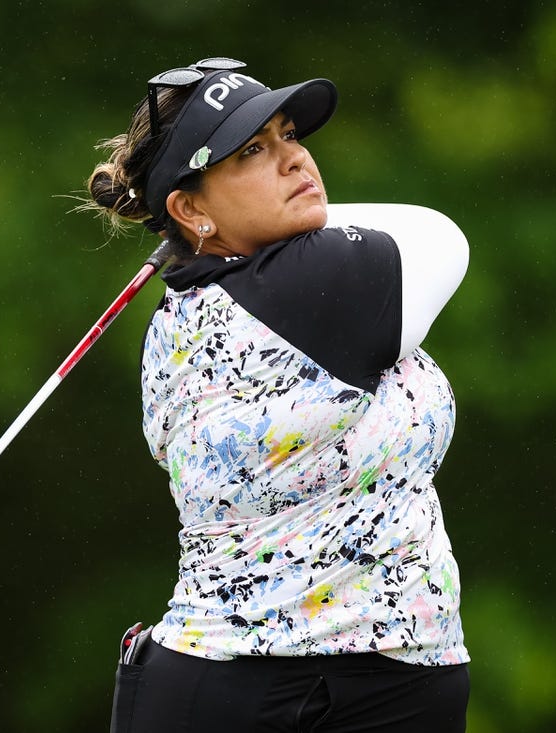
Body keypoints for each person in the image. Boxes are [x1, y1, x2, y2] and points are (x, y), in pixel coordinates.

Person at [83, 57, 471, 733]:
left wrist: (193, 235)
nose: (296, 160)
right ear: (190, 205)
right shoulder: (312, 283)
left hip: (386, 680)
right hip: (260, 693)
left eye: (290, 134)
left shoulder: (184, 312)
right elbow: (442, 235)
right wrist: (205, 236)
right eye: (253, 150)